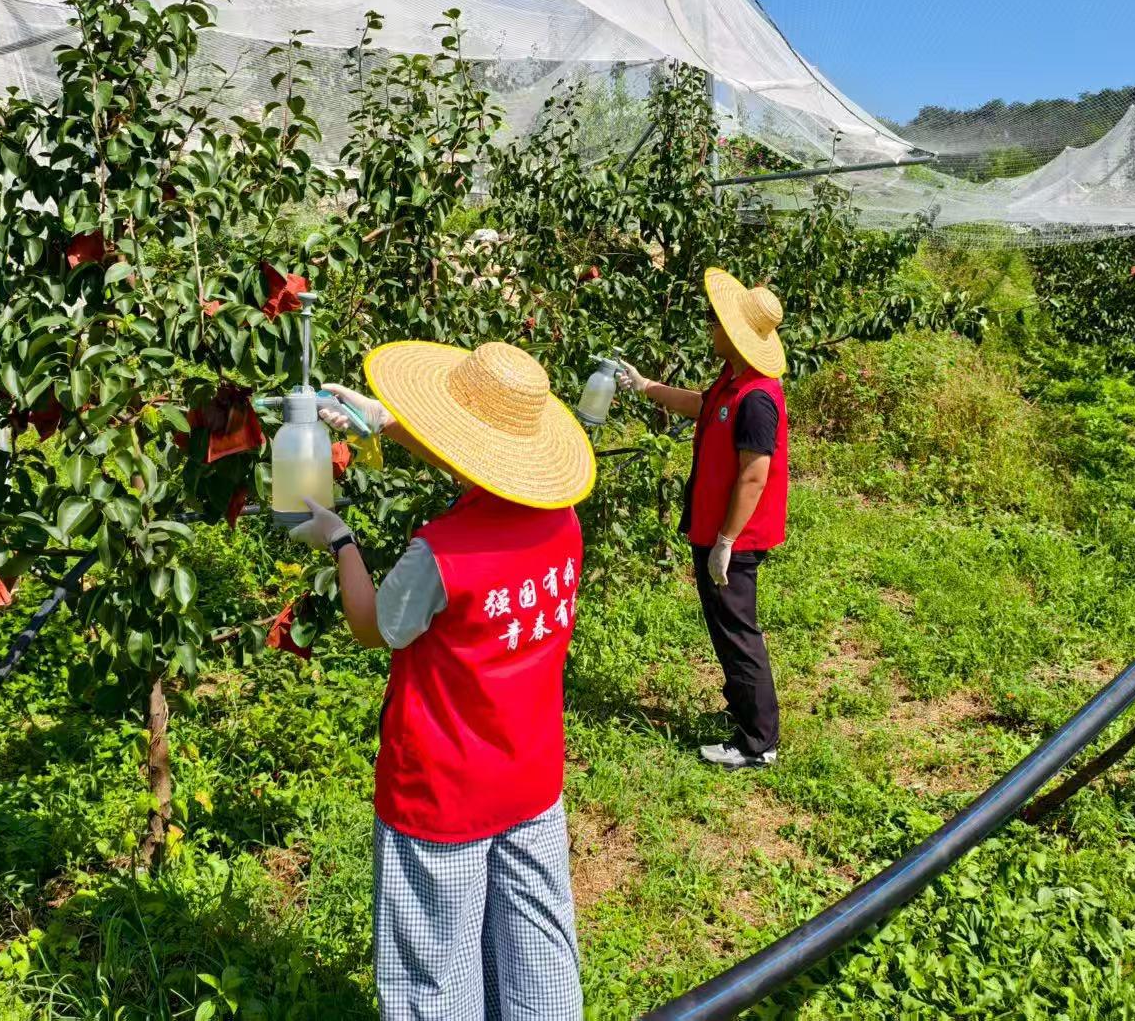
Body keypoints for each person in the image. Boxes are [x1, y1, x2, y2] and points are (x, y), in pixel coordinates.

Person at [288, 339, 595, 1020]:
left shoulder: (441, 552)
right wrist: (384, 422)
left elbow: (374, 626)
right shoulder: (563, 522)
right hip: (530, 776)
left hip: (442, 790)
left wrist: (340, 540)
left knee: (436, 968)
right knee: (537, 951)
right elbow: (480, 470)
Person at [619, 268, 788, 770]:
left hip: (736, 538)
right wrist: (647, 386)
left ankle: (758, 742)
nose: (710, 326)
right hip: (715, 529)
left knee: (737, 630)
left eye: (715, 320)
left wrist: (727, 541)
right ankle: (744, 712)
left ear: (733, 333)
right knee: (724, 625)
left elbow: (754, 476)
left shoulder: (757, 398)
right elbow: (701, 405)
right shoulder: (732, 382)